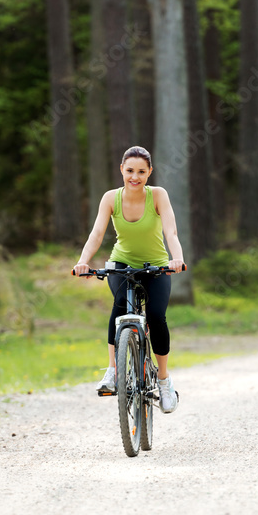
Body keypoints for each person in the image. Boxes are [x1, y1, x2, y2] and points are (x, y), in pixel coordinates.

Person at [74, 146, 185, 413]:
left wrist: (177, 258)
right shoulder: (111, 198)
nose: (135, 177)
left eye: (141, 172)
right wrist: (83, 261)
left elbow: (171, 231)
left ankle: (164, 381)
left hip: (156, 265)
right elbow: (97, 233)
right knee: (120, 306)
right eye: (130, 171)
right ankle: (113, 370)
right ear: (121, 170)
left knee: (157, 316)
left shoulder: (158, 195)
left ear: (149, 173)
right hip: (122, 263)